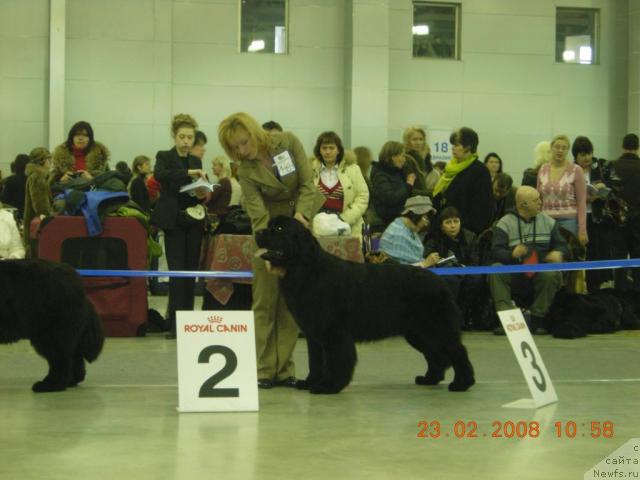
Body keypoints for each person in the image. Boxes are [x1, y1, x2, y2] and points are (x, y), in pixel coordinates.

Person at [218, 112, 324, 389]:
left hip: (300, 228)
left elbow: (306, 184)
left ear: (254, 132)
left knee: (292, 304)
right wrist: (269, 250)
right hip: (269, 234)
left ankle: (285, 369)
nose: (242, 150)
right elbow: (257, 214)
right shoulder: (245, 170)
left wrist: (302, 217)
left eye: (244, 142)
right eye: (235, 148)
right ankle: (263, 370)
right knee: (264, 303)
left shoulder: (288, 142)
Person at [150, 114, 207, 339]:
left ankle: (188, 324)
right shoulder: (164, 156)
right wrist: (188, 173)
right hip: (173, 220)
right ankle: (174, 324)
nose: (185, 141)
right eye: (182, 136)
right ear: (174, 136)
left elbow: (195, 192)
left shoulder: (196, 161)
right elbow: (160, 175)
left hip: (192, 219)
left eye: (189, 137)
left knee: (190, 272)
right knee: (176, 271)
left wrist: (203, 190)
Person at [489, 186, 568, 335]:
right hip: (514, 270)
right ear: (523, 204)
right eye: (536, 200)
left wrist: (559, 252)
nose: (540, 203)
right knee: (496, 269)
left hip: (539, 270)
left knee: (551, 274)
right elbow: (495, 252)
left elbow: (563, 246)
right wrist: (512, 254)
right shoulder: (504, 223)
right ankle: (507, 321)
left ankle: (538, 320)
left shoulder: (548, 221)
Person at [423, 206, 484, 329]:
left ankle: (461, 313)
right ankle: (449, 316)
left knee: (476, 279)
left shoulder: (470, 237)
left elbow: (475, 261)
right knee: (451, 279)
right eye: (448, 222)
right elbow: (426, 257)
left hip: (465, 271)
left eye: (456, 221)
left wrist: (464, 268)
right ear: (441, 225)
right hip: (442, 273)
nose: (453, 226)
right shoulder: (433, 238)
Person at [432, 127, 493, 235]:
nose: (452, 148)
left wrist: (464, 231)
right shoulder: (451, 167)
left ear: (468, 147)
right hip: (444, 228)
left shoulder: (480, 171)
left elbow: (482, 208)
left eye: (456, 145)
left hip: (465, 232)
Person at [311, 131, 369, 239]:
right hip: (318, 229)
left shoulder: (353, 169)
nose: (327, 152)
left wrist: (344, 218)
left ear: (338, 150)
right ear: (319, 150)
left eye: (331, 148)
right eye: (324, 148)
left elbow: (363, 196)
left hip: (348, 227)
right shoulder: (311, 170)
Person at [572, 136, 611, 291]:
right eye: (582, 154)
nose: (586, 157)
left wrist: (603, 187)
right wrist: (584, 198)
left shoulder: (600, 167)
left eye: (588, 153)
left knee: (597, 254)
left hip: (597, 218)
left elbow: (613, 187)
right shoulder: (571, 170)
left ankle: (596, 288)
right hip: (578, 218)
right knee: (580, 255)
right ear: (575, 156)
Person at [537, 134, 587, 245]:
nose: (560, 150)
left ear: (568, 150)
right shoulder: (543, 169)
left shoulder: (576, 170)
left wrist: (582, 230)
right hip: (545, 221)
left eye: (564, 148)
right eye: (557, 147)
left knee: (566, 256)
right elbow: (538, 199)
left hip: (568, 221)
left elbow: (582, 202)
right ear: (551, 148)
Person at [608, 133, 640, 291]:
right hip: (638, 222)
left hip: (617, 221)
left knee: (619, 260)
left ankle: (620, 296)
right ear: (638, 147)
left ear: (622, 146)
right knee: (638, 261)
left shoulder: (612, 165)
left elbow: (607, 194)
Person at [378, 196, 435, 266]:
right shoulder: (398, 235)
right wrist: (424, 264)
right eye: (425, 218)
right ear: (415, 216)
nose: (426, 224)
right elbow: (399, 270)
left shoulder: (406, 228)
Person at [370, 141, 415, 227]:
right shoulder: (380, 175)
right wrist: (409, 185)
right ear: (393, 157)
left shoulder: (396, 172)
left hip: (398, 217)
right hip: (389, 220)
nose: (404, 160)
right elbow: (390, 198)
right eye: (402, 156)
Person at [51, 121, 110, 185]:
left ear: (90, 139)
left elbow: (108, 183)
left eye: (85, 135)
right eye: (77, 135)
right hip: (67, 192)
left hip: (93, 193)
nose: (80, 138)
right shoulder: (60, 158)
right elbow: (50, 182)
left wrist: (92, 179)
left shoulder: (100, 157)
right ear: (72, 137)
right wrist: (61, 181)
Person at [23, 147, 54, 257]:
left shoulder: (35, 175)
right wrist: (52, 217)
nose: (51, 162)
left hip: (33, 224)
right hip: (38, 227)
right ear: (44, 160)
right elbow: (41, 205)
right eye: (49, 158)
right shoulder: (38, 176)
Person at [403, 127, 439, 196]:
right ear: (407, 141)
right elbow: (408, 188)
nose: (418, 142)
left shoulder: (422, 159)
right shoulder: (407, 159)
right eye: (414, 139)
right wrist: (430, 192)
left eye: (421, 139)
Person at [204, 155, 242, 221]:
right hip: (221, 214)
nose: (212, 168)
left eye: (215, 165)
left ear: (222, 167)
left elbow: (210, 199)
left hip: (218, 216)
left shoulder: (223, 181)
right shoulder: (225, 181)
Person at [0, 154, 29, 219]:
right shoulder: (31, 178)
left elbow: (4, 199)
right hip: (29, 214)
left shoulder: (11, 179)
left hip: (15, 213)